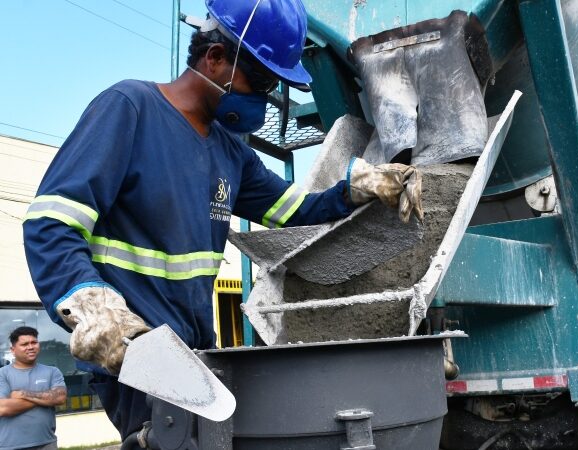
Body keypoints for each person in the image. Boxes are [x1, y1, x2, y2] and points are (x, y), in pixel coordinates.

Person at [21, 0, 422, 442]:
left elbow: (295, 211)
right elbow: (50, 223)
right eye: (263, 80)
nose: (266, 97)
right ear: (215, 59)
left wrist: (360, 185)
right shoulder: (129, 108)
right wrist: (91, 308)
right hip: (136, 355)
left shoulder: (230, 153)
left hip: (195, 352)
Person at [0, 327, 66, 450]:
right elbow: (3, 408)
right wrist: (46, 398)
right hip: (9, 446)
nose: (30, 347)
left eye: (34, 342)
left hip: (47, 444)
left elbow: (60, 397)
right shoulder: (2, 374)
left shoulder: (52, 371)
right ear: (13, 350)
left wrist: (23, 394)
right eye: (24, 344)